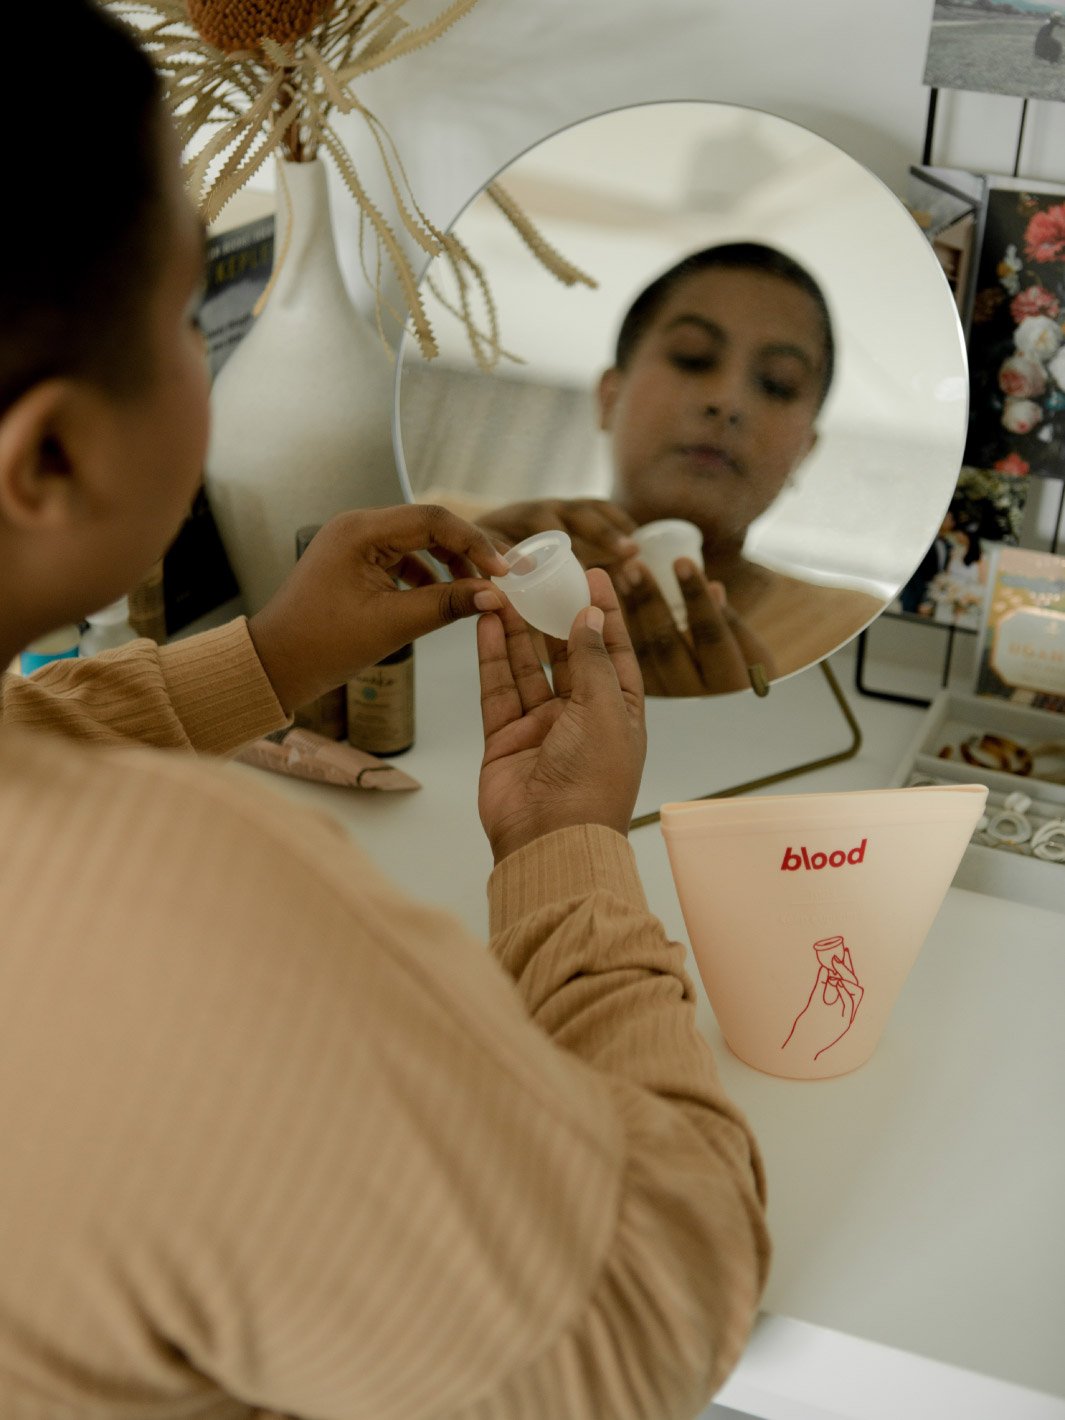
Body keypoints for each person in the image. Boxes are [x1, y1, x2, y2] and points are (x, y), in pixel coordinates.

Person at [0, 3, 768, 1414]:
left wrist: (265, 657)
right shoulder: (187, 922)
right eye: (184, 313)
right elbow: (652, 1314)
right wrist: (567, 863)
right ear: (48, 456)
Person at [478, 243, 884, 695]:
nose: (728, 402)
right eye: (691, 357)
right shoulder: (454, 538)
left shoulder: (861, 639)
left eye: (778, 384)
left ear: (804, 453)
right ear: (610, 398)